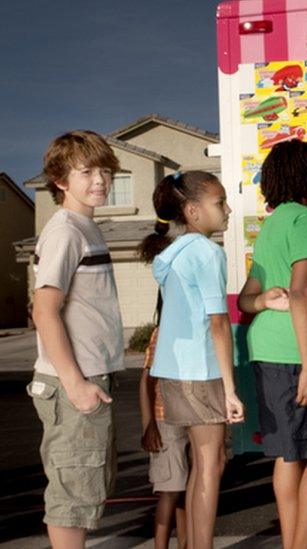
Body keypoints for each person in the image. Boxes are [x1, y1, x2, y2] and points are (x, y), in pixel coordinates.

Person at [237, 140, 307, 549]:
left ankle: (291, 544)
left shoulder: (272, 223)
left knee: (289, 454)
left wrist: (264, 301)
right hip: (301, 354)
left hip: (267, 350)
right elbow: (301, 293)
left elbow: (248, 298)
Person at [138, 170, 246, 549]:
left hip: (173, 374)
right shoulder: (207, 253)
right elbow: (218, 322)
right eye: (220, 203)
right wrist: (231, 390)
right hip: (201, 372)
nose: (228, 209)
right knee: (210, 464)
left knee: (207, 463)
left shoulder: (171, 252)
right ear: (193, 211)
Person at [28, 130, 124, 549]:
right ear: (61, 180)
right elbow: (43, 309)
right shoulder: (66, 230)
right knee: (72, 495)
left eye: (105, 170)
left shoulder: (87, 227)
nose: (99, 180)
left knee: (87, 488)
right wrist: (74, 383)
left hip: (89, 379)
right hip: (73, 385)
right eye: (86, 171)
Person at [139, 328, 188, 549]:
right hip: (165, 419)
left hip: (193, 419)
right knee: (171, 490)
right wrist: (149, 424)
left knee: (188, 492)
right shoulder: (164, 331)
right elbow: (147, 380)